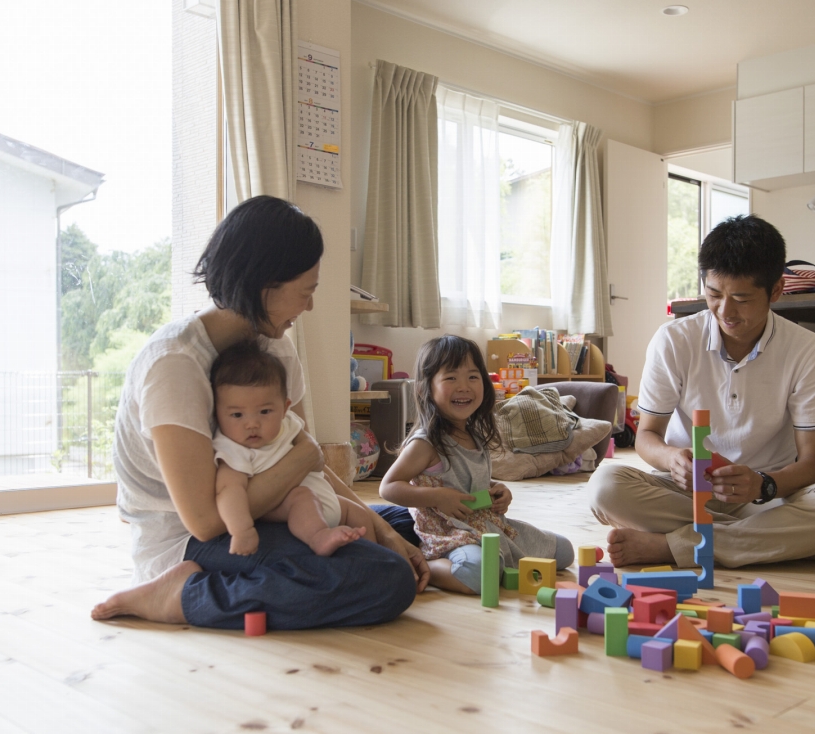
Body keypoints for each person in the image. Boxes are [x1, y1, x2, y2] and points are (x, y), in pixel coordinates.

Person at [92, 195, 428, 630]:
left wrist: (377, 528)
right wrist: (308, 459)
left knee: (406, 521)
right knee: (384, 577)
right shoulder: (175, 365)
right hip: (194, 540)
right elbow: (208, 521)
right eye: (306, 292)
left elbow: (301, 462)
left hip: (273, 508)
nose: (308, 307)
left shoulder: (273, 349)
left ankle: (353, 555)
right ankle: (182, 594)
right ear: (263, 284)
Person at [586, 214, 815, 569]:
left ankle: (678, 547)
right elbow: (646, 436)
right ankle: (785, 542)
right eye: (714, 294)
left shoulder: (807, 350)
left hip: (770, 495)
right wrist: (671, 459)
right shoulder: (673, 340)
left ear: (777, 291)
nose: (725, 311)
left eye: (741, 298)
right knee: (605, 486)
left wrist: (762, 484)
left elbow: (814, 463)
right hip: (685, 493)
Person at [379, 335, 574, 594]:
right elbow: (389, 487)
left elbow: (472, 480)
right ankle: (424, 563)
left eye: (473, 377)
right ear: (425, 388)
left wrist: (497, 489)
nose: (464, 387)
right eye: (451, 378)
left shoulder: (475, 435)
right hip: (452, 533)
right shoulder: (426, 443)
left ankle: (497, 564)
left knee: (565, 551)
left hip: (490, 527)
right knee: (480, 575)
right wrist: (437, 497)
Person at [210, 341, 369, 557]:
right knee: (302, 497)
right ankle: (318, 537)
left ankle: (374, 556)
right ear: (217, 414)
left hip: (325, 502)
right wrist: (241, 530)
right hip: (286, 507)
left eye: (265, 411)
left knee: (360, 514)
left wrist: (323, 479)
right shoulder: (232, 448)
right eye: (237, 415)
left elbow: (316, 459)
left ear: (285, 407)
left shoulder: (289, 426)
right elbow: (228, 492)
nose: (252, 424)